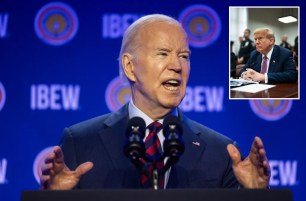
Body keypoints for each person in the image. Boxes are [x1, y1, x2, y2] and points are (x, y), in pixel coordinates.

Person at [40, 14, 270, 190]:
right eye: (162, 53)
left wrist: (258, 197)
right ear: (130, 67)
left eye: (184, 56)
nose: (177, 66)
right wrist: (51, 200)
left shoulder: (221, 152)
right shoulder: (80, 142)